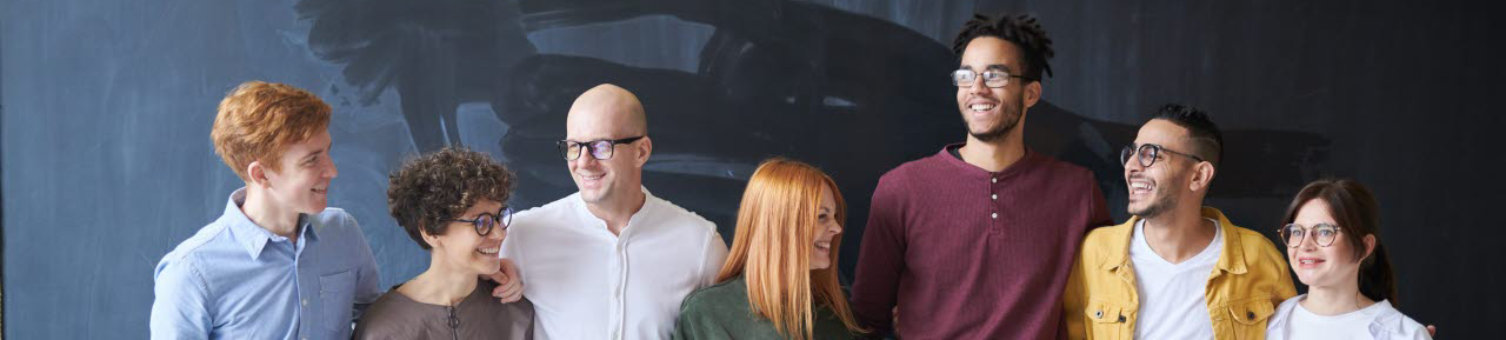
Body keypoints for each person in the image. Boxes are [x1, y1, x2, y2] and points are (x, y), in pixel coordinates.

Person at [849, 12, 1112, 339]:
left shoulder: (1077, 191)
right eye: (966, 75)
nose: (977, 88)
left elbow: (1107, 302)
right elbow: (867, 318)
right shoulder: (901, 189)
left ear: (1030, 93)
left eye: (994, 75)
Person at [151, 81, 381, 339]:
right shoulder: (191, 273)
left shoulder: (342, 231)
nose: (332, 170)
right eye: (311, 160)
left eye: (327, 152)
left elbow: (373, 322)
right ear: (261, 175)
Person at [499, 83, 729, 339]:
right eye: (574, 146)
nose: (583, 162)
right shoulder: (521, 235)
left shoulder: (701, 245)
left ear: (641, 152)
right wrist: (490, 270)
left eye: (600, 146)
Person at [1062, 104, 1297, 339]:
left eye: (1150, 154)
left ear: (1198, 176)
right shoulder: (1094, 253)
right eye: (1132, 153)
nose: (1131, 166)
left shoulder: (1258, 257)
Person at [675, 158, 867, 340]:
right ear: (780, 225)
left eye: (835, 216)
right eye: (821, 216)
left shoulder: (837, 316)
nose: (837, 228)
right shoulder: (708, 313)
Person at [354, 147, 533, 339]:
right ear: (431, 231)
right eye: (481, 222)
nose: (499, 233)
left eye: (499, 217)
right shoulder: (381, 330)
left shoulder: (516, 312)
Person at [1265, 179, 1431, 339]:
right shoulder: (1269, 322)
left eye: (1324, 231)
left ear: (1365, 246)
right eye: (1296, 232)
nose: (1305, 245)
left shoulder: (1405, 335)